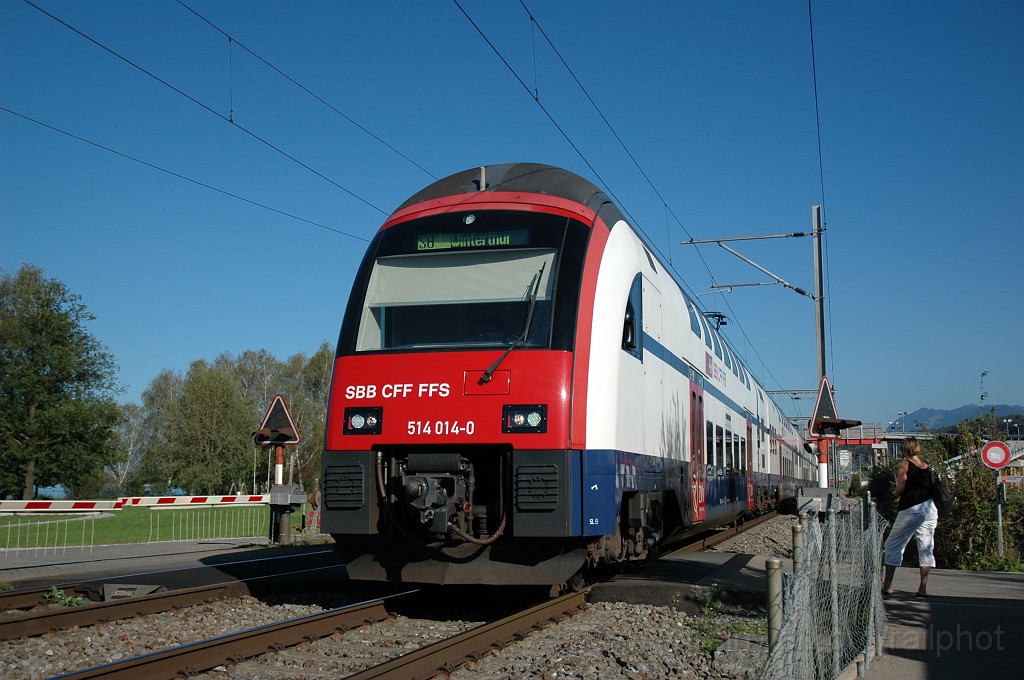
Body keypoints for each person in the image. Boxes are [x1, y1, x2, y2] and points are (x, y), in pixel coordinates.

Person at [881, 438, 938, 598]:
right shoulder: (926, 465)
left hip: (912, 509)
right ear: (918, 449)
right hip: (930, 509)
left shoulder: (905, 465)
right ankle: (922, 589)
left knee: (893, 544)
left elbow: (900, 487)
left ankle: (888, 586)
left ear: (904, 449)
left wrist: (894, 494)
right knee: (926, 547)